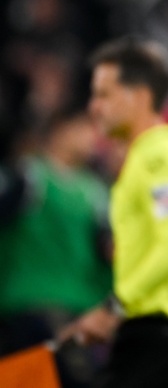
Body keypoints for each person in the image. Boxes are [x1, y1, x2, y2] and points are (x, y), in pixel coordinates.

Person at [58, 39, 168, 388]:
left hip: (157, 340)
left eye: (104, 95)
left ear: (140, 97)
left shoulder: (157, 160)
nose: (94, 107)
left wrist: (113, 308)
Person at [0, 108, 111, 388]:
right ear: (60, 130)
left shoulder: (97, 193)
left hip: (77, 311)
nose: (91, 139)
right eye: (84, 129)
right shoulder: (27, 177)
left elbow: (108, 253)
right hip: (26, 307)